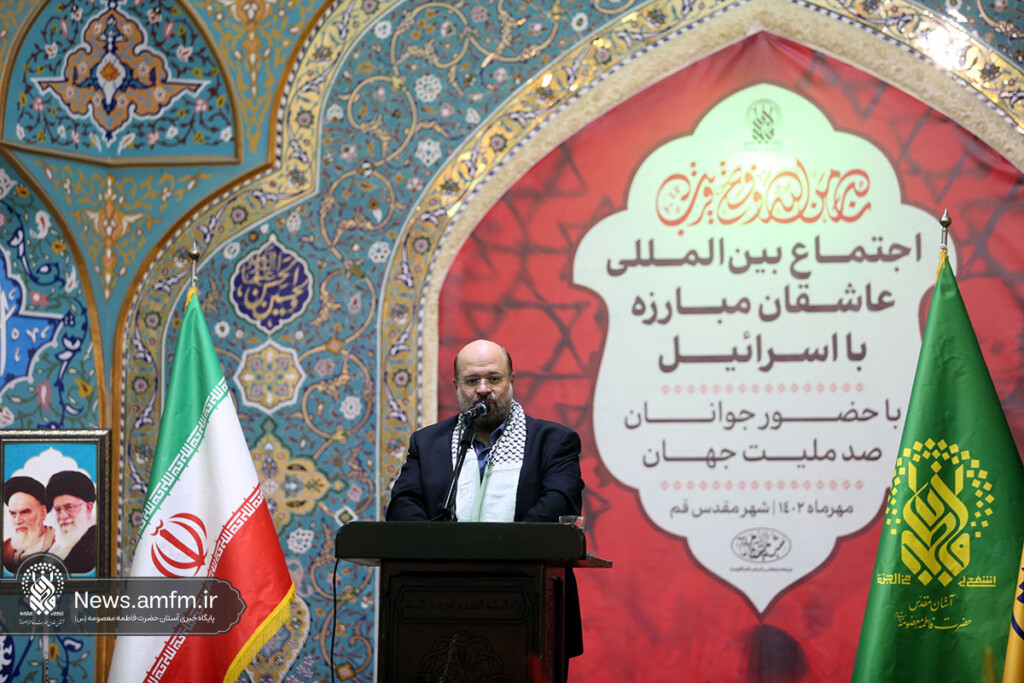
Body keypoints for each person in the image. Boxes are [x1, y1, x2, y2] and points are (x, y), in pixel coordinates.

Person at [386, 339, 586, 669]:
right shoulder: (428, 443)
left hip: (528, 603)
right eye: (472, 381)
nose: (482, 389)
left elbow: (558, 506)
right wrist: (446, 553)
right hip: (437, 604)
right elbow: (403, 507)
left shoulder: (553, 441)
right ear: (456, 386)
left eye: (494, 379)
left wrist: (496, 553)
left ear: (511, 381)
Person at [45, 470, 96, 573]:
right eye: (58, 509)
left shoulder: (97, 544)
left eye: (70, 507)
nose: (63, 516)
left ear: (88, 508)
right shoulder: (54, 549)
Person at [2, 476, 55, 573]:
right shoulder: (5, 548)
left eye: (25, 512)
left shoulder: (61, 544)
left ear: (43, 512)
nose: (18, 521)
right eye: (13, 513)